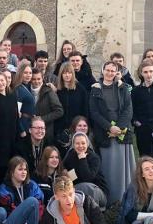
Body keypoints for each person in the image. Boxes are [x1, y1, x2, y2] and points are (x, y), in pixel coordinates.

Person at [89, 61, 135, 204]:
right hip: (105, 135)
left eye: (112, 71)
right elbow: (94, 112)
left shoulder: (123, 88)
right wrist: (109, 127)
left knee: (123, 171)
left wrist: (119, 127)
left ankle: (124, 200)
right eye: (107, 70)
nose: (109, 73)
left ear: (116, 73)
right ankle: (110, 201)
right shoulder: (95, 90)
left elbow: (128, 109)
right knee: (108, 169)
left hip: (122, 134)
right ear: (103, 71)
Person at [0, 156, 44, 224]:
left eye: (25, 169)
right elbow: (9, 213)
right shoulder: (4, 189)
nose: (24, 172)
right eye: (20, 169)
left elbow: (39, 207)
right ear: (11, 172)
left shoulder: (32, 185)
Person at [62, 132, 108, 208]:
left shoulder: (94, 158)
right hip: (79, 190)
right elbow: (72, 177)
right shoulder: (70, 156)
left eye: (83, 143)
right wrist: (65, 172)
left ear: (87, 144)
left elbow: (88, 178)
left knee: (87, 187)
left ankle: (95, 213)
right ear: (73, 145)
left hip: (97, 191)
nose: (80, 146)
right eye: (77, 143)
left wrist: (82, 159)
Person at [0, 71, 19, 180]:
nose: (0, 83)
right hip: (0, 139)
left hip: (13, 137)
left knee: (12, 167)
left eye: (2, 80)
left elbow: (16, 117)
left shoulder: (12, 96)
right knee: (1, 168)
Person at [55, 61, 90, 152]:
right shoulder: (57, 90)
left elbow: (85, 110)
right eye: (64, 73)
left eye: (69, 72)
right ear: (61, 74)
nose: (67, 75)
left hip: (76, 129)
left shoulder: (81, 90)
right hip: (60, 130)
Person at [31, 70, 63, 145]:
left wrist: (42, 119)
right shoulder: (27, 90)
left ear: (42, 78)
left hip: (46, 132)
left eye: (38, 79)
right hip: (30, 131)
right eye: (34, 79)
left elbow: (59, 111)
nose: (36, 81)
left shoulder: (48, 91)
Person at [11, 63, 35, 136]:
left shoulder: (28, 86)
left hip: (29, 123)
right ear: (20, 73)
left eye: (30, 73)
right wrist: (21, 129)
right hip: (23, 125)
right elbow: (16, 113)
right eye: (25, 73)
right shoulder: (18, 89)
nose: (28, 75)